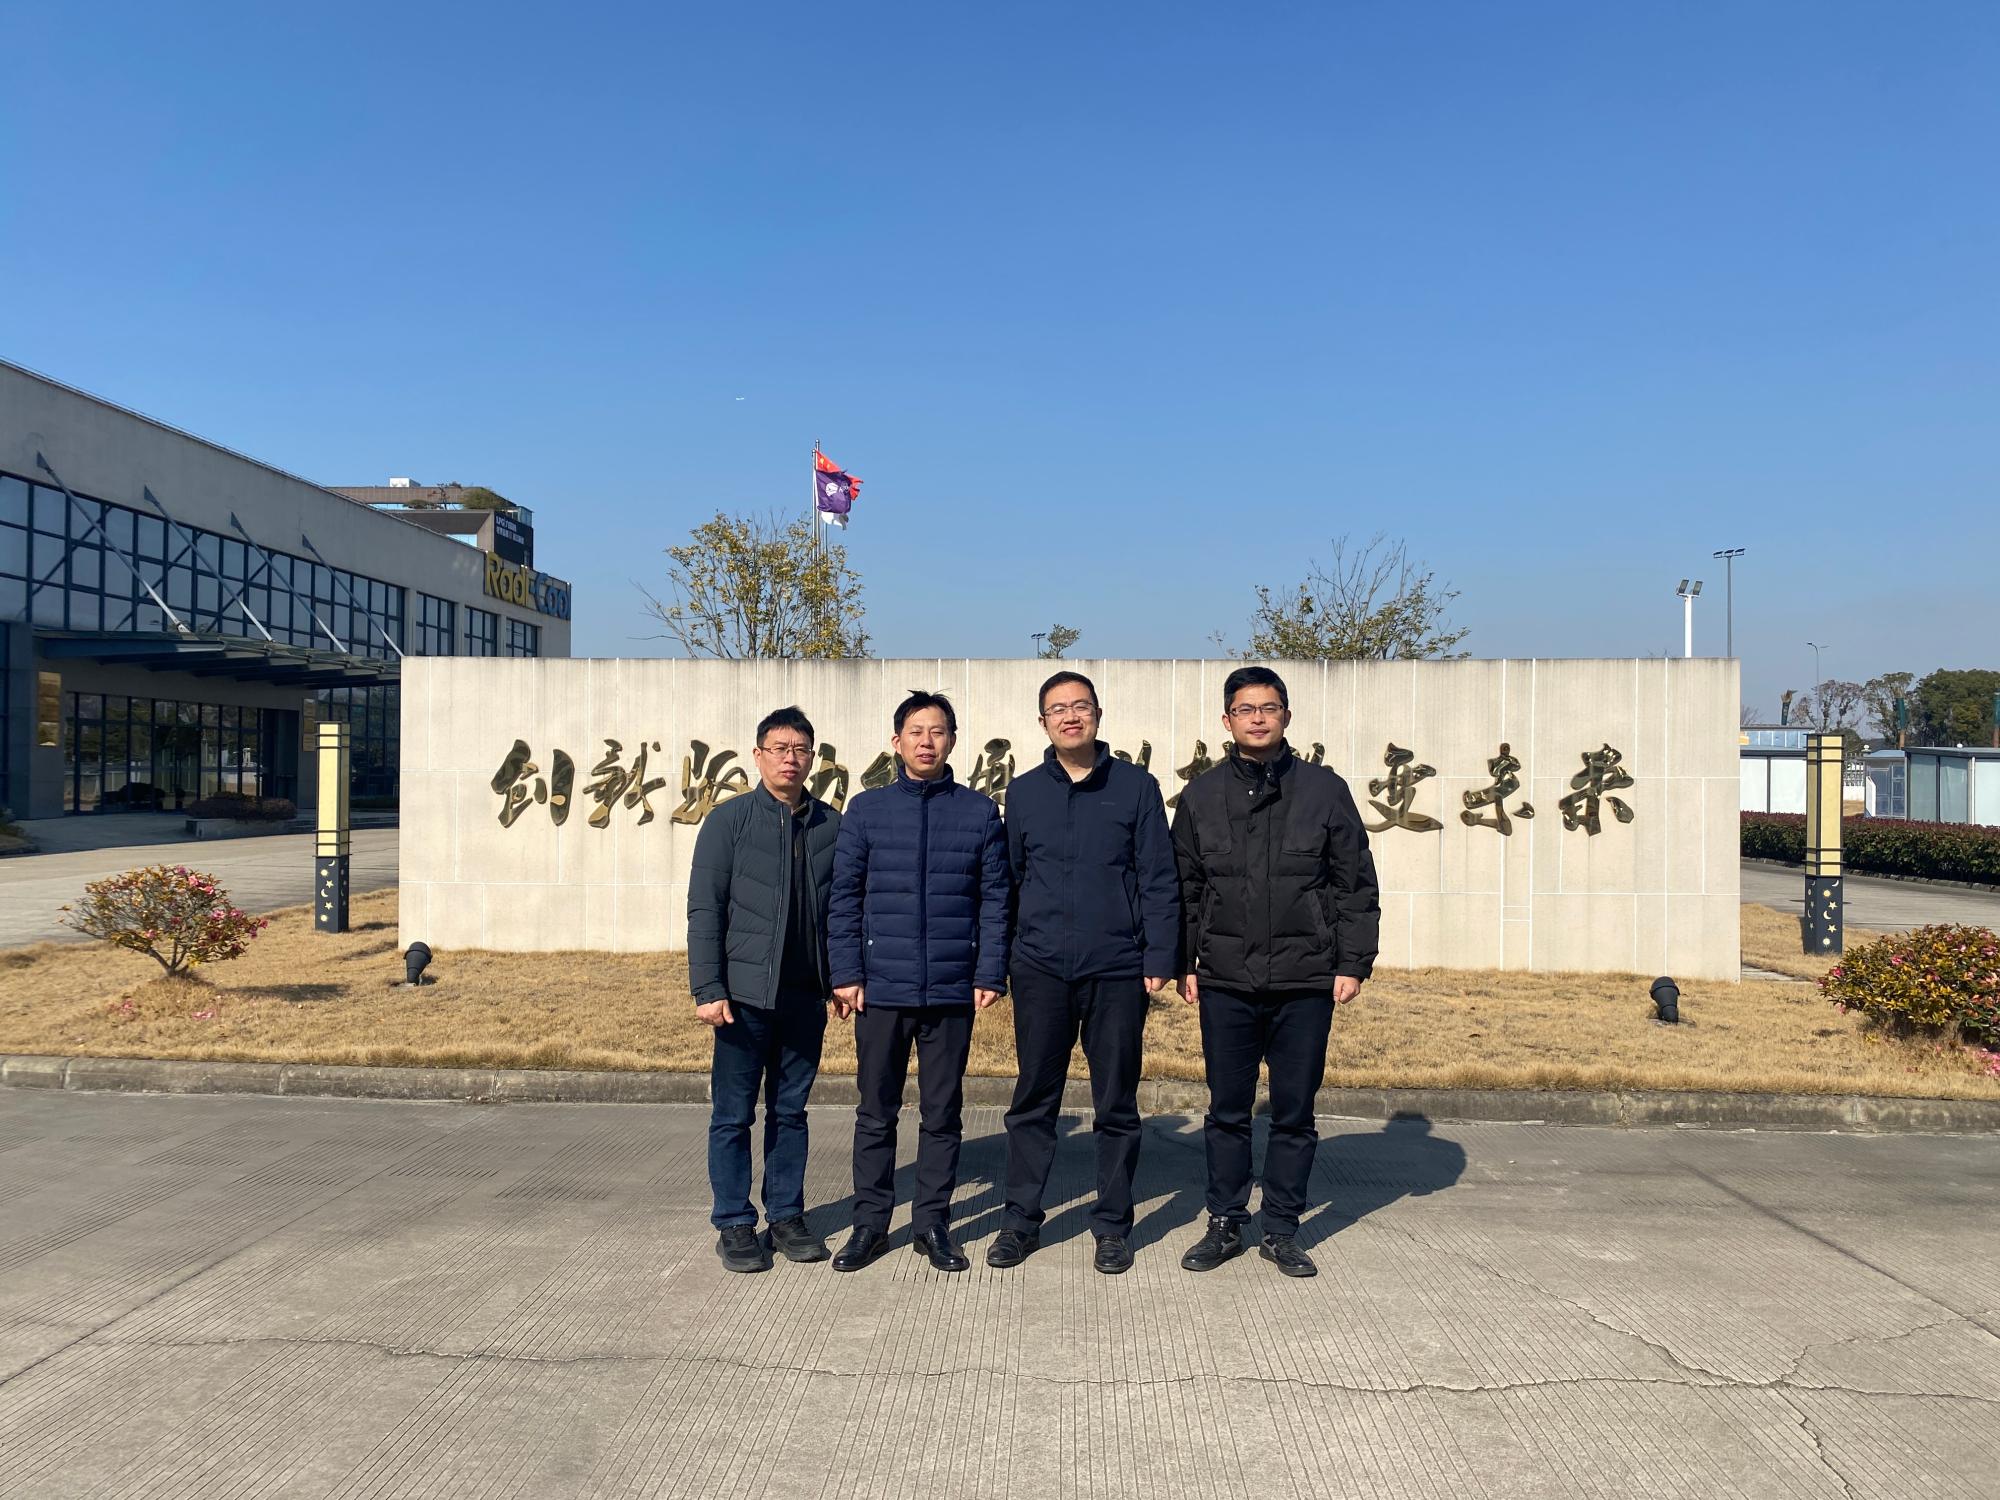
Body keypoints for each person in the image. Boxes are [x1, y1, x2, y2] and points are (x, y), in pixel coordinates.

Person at [1171, 666, 1380, 1278]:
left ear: (1286, 716)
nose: (1257, 718)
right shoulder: (1202, 795)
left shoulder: (1323, 790)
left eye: (1269, 708)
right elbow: (1185, 888)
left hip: (1305, 978)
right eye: (1245, 709)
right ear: (1227, 720)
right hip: (1226, 980)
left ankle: (1283, 1228)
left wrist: (1353, 962)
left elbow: (1353, 882)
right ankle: (1225, 1221)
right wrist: (1184, 960)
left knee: (1294, 1111)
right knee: (1227, 1110)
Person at [989, 670, 1180, 1275]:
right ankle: (1020, 1221)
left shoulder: (1136, 787)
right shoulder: (1024, 792)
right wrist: (1005, 959)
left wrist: (1159, 956)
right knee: (1032, 1101)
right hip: (1041, 968)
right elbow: (1010, 882)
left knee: (1115, 1103)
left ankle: (1113, 1225)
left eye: (1081, 706)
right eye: (1058, 709)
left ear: (1098, 714)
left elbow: (1158, 877)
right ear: (1042, 722)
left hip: (1117, 968)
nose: (1070, 716)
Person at [827, 690, 1010, 1273]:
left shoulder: (978, 812)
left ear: (952, 740)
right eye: (916, 731)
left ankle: (932, 1224)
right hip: (881, 987)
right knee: (875, 1112)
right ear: (896, 741)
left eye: (937, 731)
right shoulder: (867, 810)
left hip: (951, 988)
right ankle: (870, 1225)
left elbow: (995, 899)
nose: (926, 741)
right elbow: (844, 897)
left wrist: (990, 970)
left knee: (942, 1114)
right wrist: (846, 973)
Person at [686, 706, 843, 1273]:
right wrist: (708, 986)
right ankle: (734, 1221)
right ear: (758, 756)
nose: (790, 759)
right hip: (743, 996)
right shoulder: (727, 822)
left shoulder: (830, 825)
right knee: (733, 1115)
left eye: (800, 749)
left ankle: (786, 1216)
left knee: (791, 1111)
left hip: (804, 996)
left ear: (812, 758)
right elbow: (705, 909)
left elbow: (843, 912)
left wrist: (841, 979)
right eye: (779, 748)